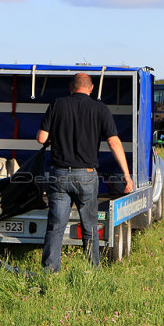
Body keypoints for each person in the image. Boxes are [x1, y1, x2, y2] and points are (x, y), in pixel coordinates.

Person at [37, 72, 134, 272]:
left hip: (60, 175)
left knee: (56, 227)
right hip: (86, 176)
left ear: (71, 87)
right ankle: (92, 271)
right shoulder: (100, 108)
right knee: (90, 227)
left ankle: (49, 272)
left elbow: (41, 138)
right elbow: (114, 142)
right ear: (91, 89)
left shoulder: (57, 104)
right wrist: (126, 175)